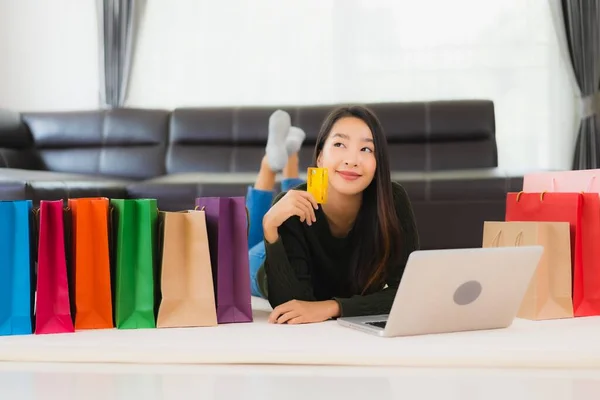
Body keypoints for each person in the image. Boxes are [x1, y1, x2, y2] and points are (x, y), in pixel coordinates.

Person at [245, 106, 420, 325]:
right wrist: (270, 226)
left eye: (366, 149)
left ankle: (288, 156)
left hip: (301, 230)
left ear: (379, 163)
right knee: (248, 247)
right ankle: (270, 166)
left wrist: (333, 307)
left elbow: (409, 292)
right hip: (268, 259)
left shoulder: (392, 199)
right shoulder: (292, 208)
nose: (352, 160)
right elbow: (290, 306)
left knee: (293, 199)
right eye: (339, 144)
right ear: (319, 157)